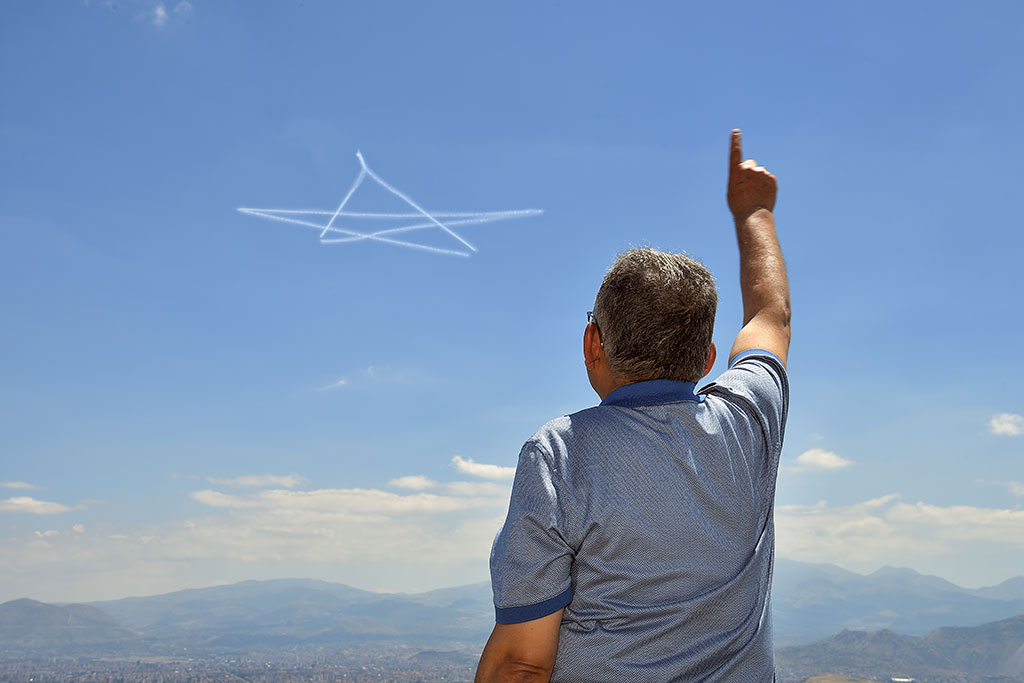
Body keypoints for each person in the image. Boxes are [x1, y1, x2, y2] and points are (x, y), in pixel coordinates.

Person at [474, 129, 791, 683]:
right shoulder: (748, 423)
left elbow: (522, 664)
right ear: (708, 356)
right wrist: (755, 212)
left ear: (593, 345)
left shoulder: (560, 455)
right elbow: (770, 317)